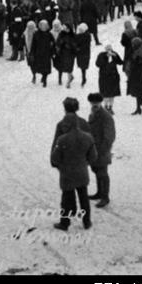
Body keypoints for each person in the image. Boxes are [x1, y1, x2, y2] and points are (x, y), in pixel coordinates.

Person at [50, 97, 97, 231]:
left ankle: (65, 222)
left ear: (65, 108)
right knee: (83, 197)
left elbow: (55, 149)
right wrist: (84, 162)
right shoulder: (84, 124)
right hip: (81, 169)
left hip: (66, 170)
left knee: (66, 197)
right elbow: (92, 150)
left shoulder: (62, 125)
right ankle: (86, 221)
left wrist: (56, 163)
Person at [87, 92, 115, 208]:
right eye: (92, 103)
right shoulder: (92, 114)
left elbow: (109, 136)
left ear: (101, 103)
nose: (94, 105)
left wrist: (103, 150)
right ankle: (99, 192)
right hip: (94, 148)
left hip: (102, 150)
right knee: (96, 170)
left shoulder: (106, 116)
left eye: (96, 103)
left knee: (103, 173)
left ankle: (105, 197)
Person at [95, 44, 123, 113]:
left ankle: (110, 107)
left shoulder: (114, 54)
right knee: (105, 93)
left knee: (112, 94)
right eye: (108, 50)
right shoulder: (101, 55)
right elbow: (98, 64)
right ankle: (105, 106)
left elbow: (120, 62)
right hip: (104, 77)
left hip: (113, 76)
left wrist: (115, 56)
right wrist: (105, 57)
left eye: (110, 49)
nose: (109, 51)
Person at [28, 20, 55, 86]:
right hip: (38, 54)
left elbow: (53, 43)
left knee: (46, 67)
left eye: (45, 26)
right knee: (40, 67)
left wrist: (53, 52)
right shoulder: (36, 34)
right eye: (42, 26)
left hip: (47, 53)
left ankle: (45, 79)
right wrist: (32, 53)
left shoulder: (49, 34)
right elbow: (33, 45)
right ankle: (42, 76)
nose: (44, 27)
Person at [128, 37, 142, 116]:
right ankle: (138, 108)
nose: (132, 45)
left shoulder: (140, 53)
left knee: (139, 93)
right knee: (137, 93)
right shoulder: (140, 50)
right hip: (138, 75)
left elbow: (138, 64)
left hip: (139, 75)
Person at [55, 23, 78, 87]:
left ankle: (68, 81)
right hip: (63, 53)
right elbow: (57, 42)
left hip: (71, 53)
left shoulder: (73, 35)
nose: (66, 30)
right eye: (65, 28)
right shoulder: (61, 34)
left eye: (67, 28)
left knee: (70, 66)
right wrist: (61, 43)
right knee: (65, 66)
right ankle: (69, 77)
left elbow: (76, 43)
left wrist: (71, 45)